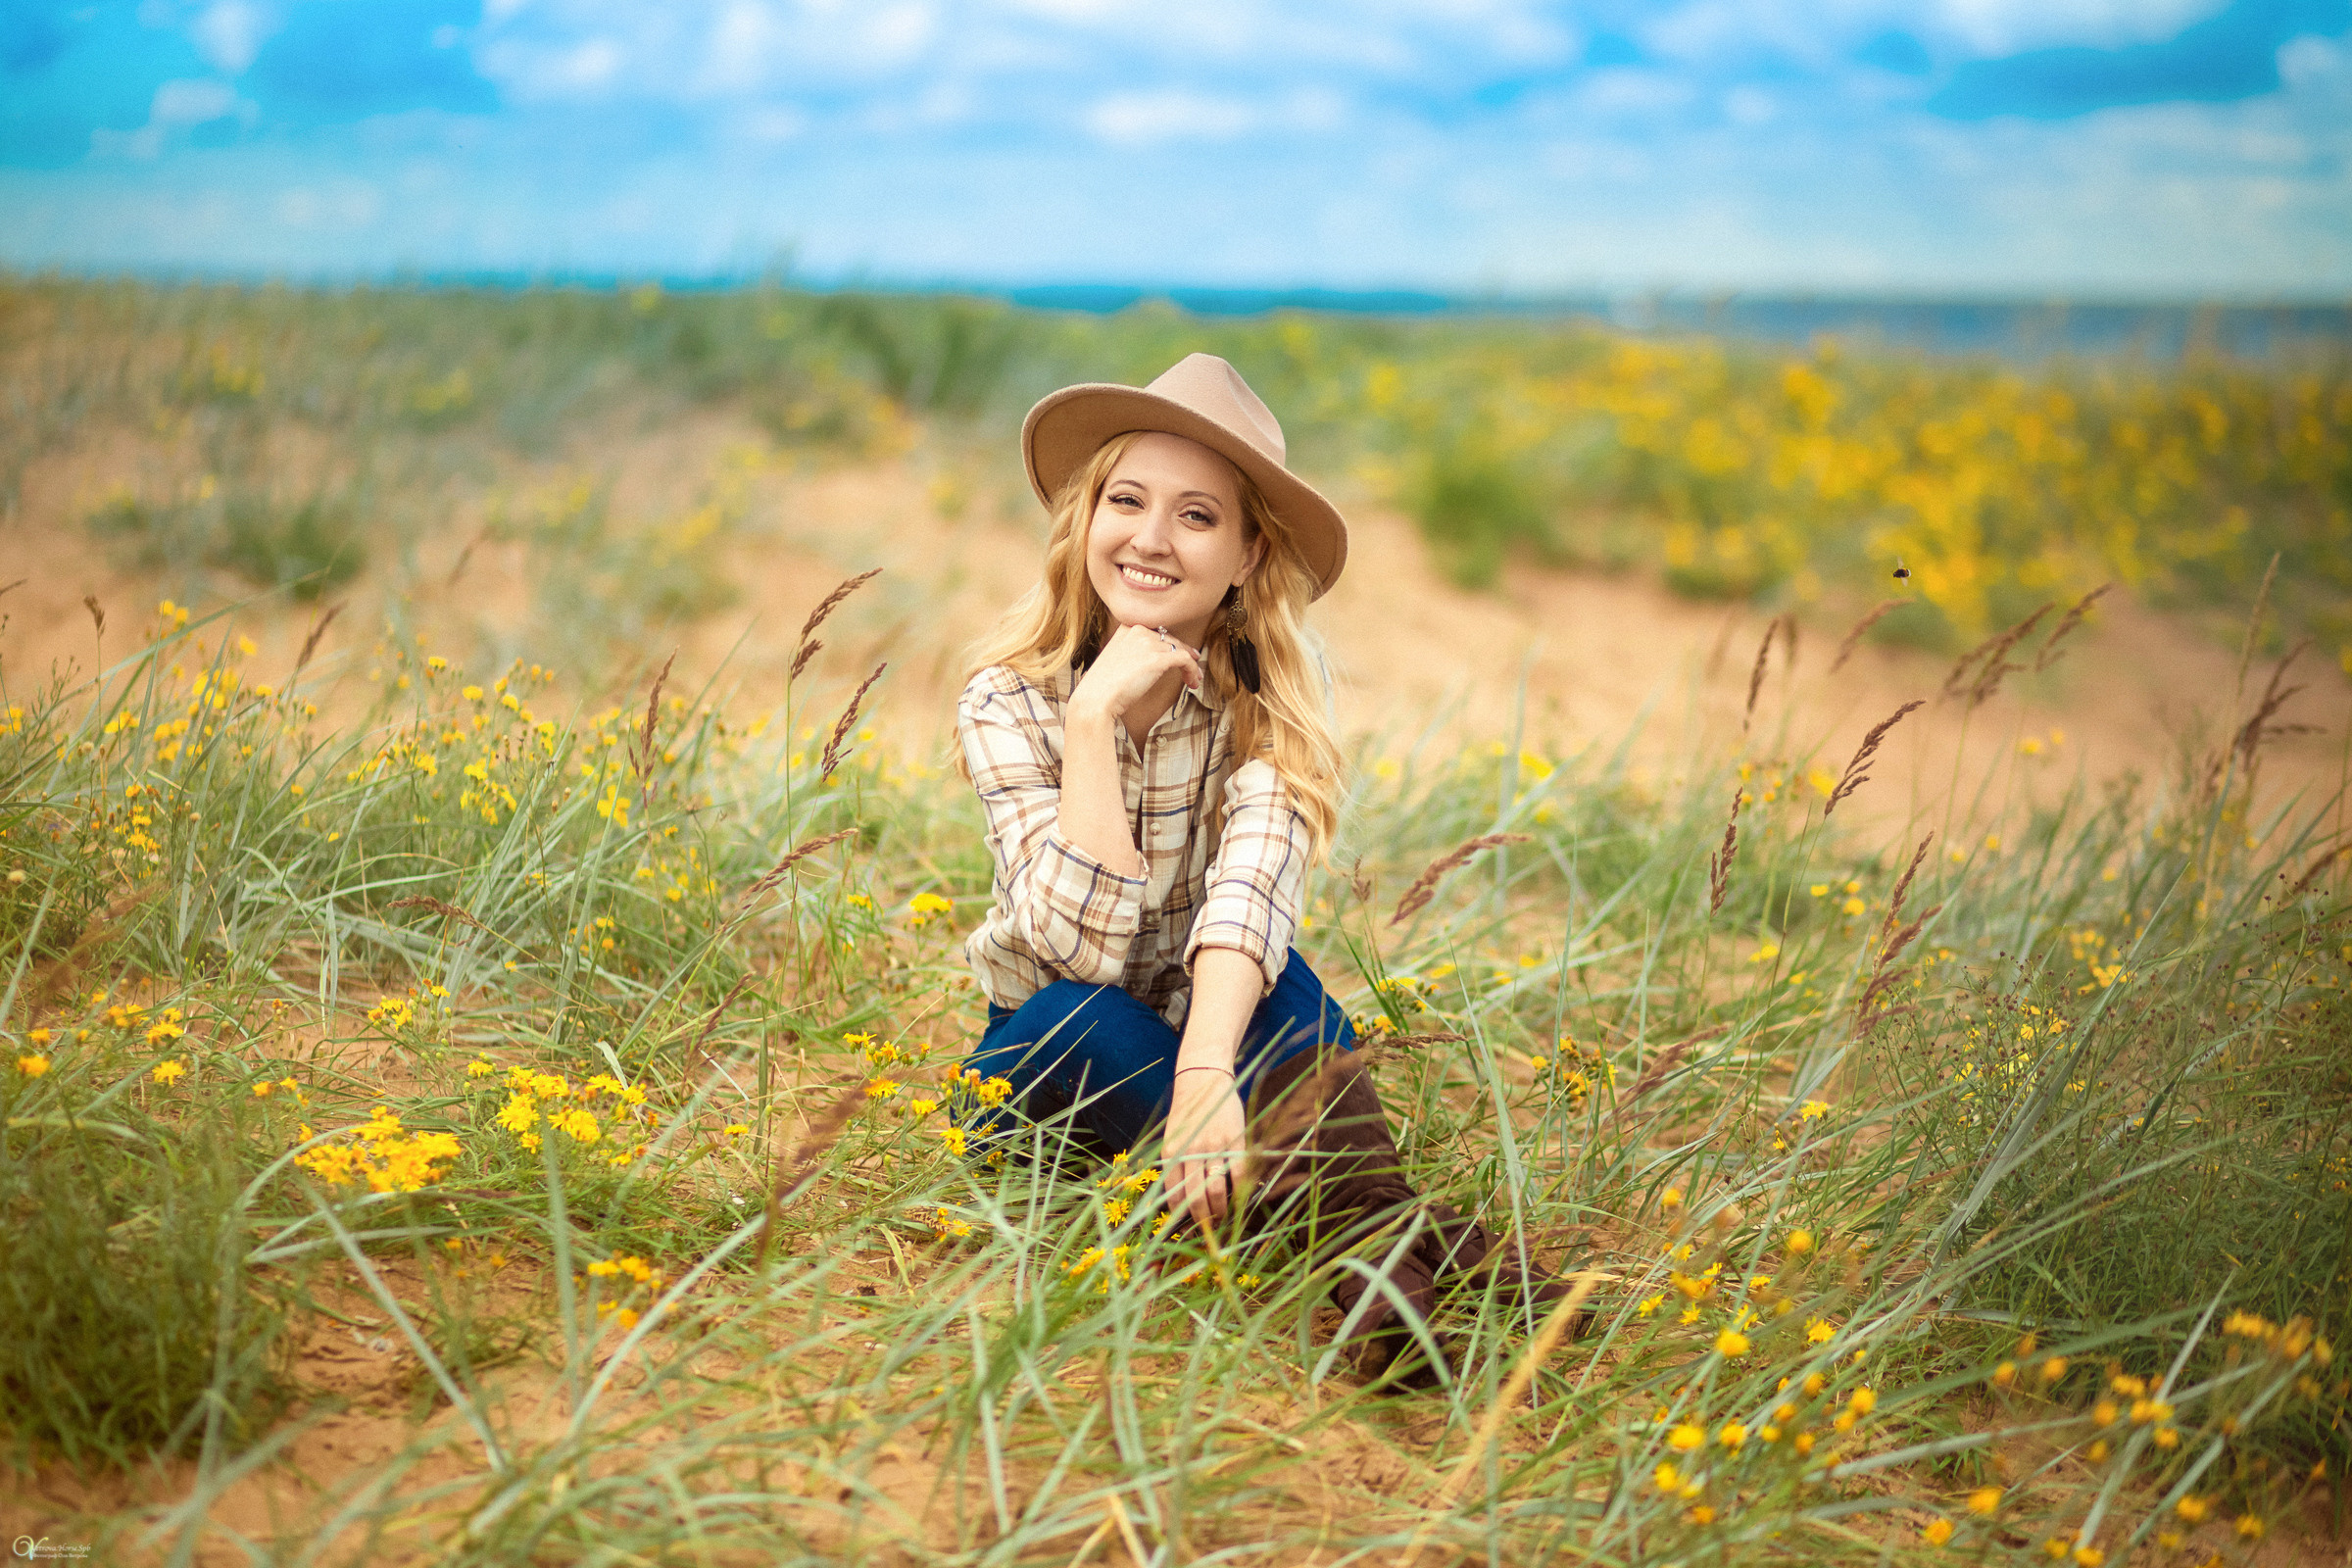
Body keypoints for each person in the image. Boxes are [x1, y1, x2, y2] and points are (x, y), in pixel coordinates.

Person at [956, 353, 1568, 1383]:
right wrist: (1098, 720)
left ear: (1246, 555)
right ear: (1085, 517)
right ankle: (1399, 1254)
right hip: (1053, 1054)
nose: (1151, 537)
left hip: (1207, 1016)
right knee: (1090, 1019)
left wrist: (1206, 1064)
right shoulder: (1010, 698)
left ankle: (1378, 1285)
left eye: (1197, 516)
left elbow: (1250, 893)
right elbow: (1080, 951)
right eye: (1127, 500)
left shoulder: (1273, 692)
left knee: (1288, 992)